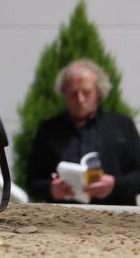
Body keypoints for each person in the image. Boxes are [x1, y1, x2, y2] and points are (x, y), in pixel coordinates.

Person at [27, 59, 140, 206]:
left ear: (98, 92)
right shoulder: (48, 130)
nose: (80, 99)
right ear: (63, 94)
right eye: (73, 93)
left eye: (86, 92)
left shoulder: (121, 124)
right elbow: (32, 182)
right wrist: (51, 189)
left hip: (116, 218)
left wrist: (115, 185)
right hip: (62, 219)